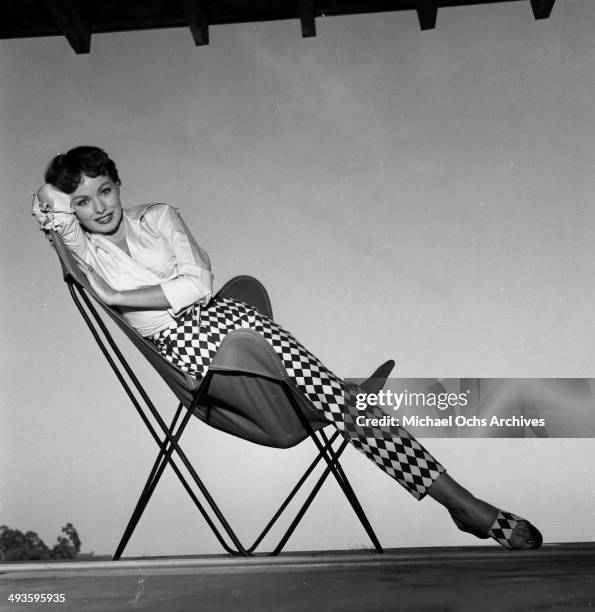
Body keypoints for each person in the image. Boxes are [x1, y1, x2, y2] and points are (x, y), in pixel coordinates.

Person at [32, 146, 542, 550]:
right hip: (193, 361)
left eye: (104, 191)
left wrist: (117, 295)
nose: (98, 208)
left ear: (120, 186)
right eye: (81, 201)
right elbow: (43, 203)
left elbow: (198, 286)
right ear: (70, 209)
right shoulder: (83, 245)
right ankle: (466, 505)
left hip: (232, 327)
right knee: (346, 401)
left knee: (345, 403)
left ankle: (464, 504)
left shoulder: (159, 217)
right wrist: (63, 204)